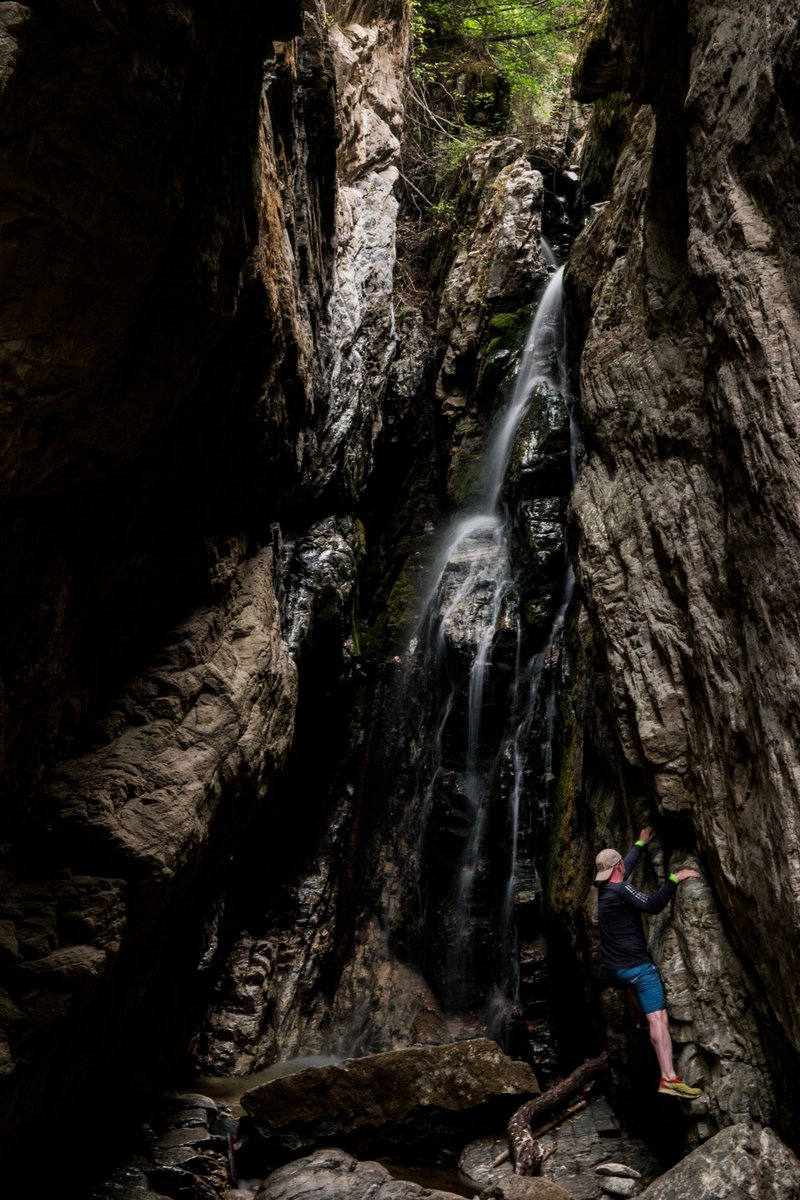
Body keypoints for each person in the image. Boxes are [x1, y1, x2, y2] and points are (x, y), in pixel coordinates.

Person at [594, 825, 702, 1099]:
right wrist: (674, 879)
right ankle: (668, 1077)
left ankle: (641, 1017)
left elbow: (623, 868)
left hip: (614, 969)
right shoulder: (622, 891)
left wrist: (640, 844)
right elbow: (653, 905)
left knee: (637, 994)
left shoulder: (605, 889)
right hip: (637, 969)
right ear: (616, 868)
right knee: (660, 1017)